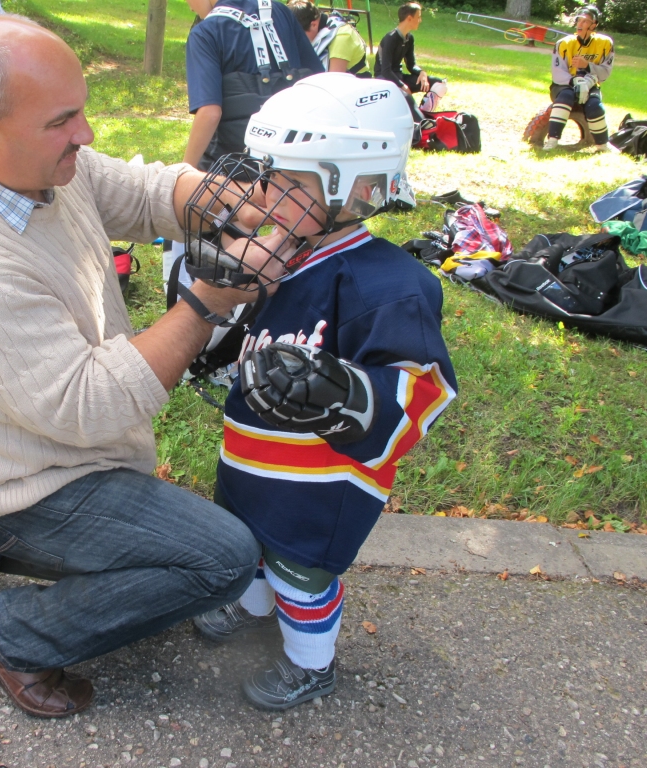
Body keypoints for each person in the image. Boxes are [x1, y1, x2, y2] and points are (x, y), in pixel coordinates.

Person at [0, 15, 292, 719]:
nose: (83, 133)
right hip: (40, 482)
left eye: (81, 112)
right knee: (222, 559)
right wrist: (206, 303)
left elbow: (139, 192)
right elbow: (92, 407)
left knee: (176, 534)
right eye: (63, 121)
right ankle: (10, 634)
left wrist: (221, 200)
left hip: (26, 451)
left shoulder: (38, 166)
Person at [186, 73, 458, 710]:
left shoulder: (391, 286)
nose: (260, 192)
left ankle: (312, 663)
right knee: (244, 542)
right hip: (250, 456)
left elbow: (424, 392)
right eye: (264, 174)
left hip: (319, 482)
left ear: (353, 185)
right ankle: (248, 605)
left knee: (298, 571)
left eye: (285, 179)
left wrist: (350, 393)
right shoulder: (278, 255)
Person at [183, 0, 322, 170]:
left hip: (236, 167)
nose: (188, 6)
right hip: (294, 160)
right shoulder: (280, 11)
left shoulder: (205, 33)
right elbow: (318, 79)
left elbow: (210, 113)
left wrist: (184, 170)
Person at [543, 5, 614, 152]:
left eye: (585, 21)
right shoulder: (564, 44)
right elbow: (557, 73)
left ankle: (602, 145)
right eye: (578, 20)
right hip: (564, 85)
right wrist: (574, 80)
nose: (580, 24)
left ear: (594, 25)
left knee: (595, 105)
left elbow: (606, 72)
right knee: (566, 96)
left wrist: (588, 67)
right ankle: (552, 140)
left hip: (591, 84)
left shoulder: (605, 44)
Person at [373, 2, 447, 123]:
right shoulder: (390, 38)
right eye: (418, 17)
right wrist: (403, 86)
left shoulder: (409, 38)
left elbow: (411, 65)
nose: (420, 20)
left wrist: (422, 73)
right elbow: (385, 71)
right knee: (407, 98)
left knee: (438, 84)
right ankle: (422, 124)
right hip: (385, 80)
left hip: (399, 77)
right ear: (409, 18)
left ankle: (424, 113)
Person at [288, 0, 372, 77]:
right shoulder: (319, 28)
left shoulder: (342, 36)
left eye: (299, 35)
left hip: (354, 88)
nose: (296, 40)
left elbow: (333, 81)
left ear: (314, 25)